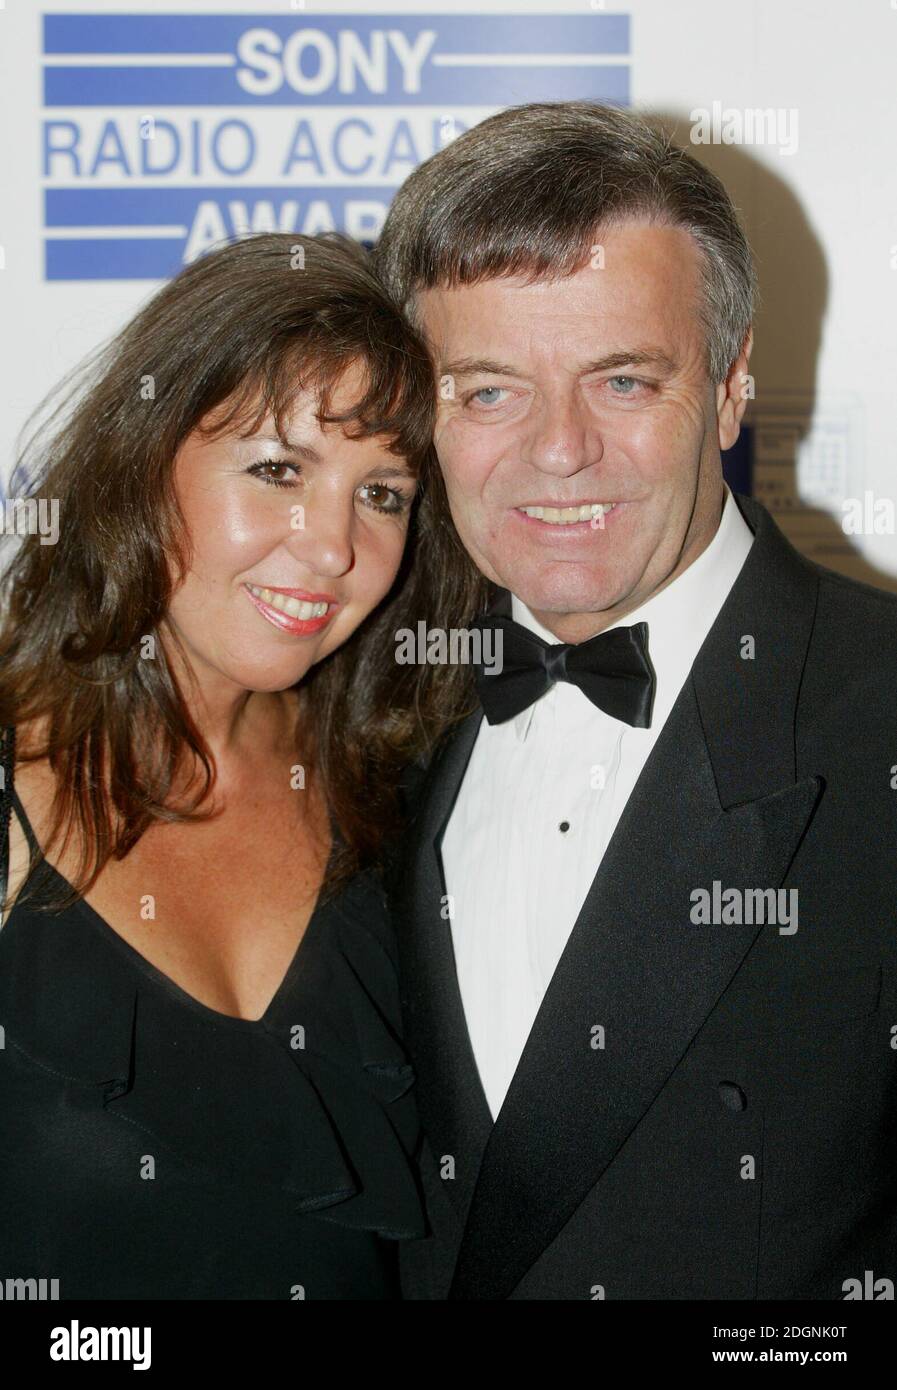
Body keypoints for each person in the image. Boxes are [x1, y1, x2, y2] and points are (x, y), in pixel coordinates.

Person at [374, 101, 897, 1300]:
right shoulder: (366, 711)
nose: (559, 451)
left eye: (621, 378)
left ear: (727, 386)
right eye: (490, 390)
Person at [0, 231, 480, 1300]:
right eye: (277, 469)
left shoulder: (403, 797)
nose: (332, 547)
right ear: (143, 458)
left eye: (385, 493)